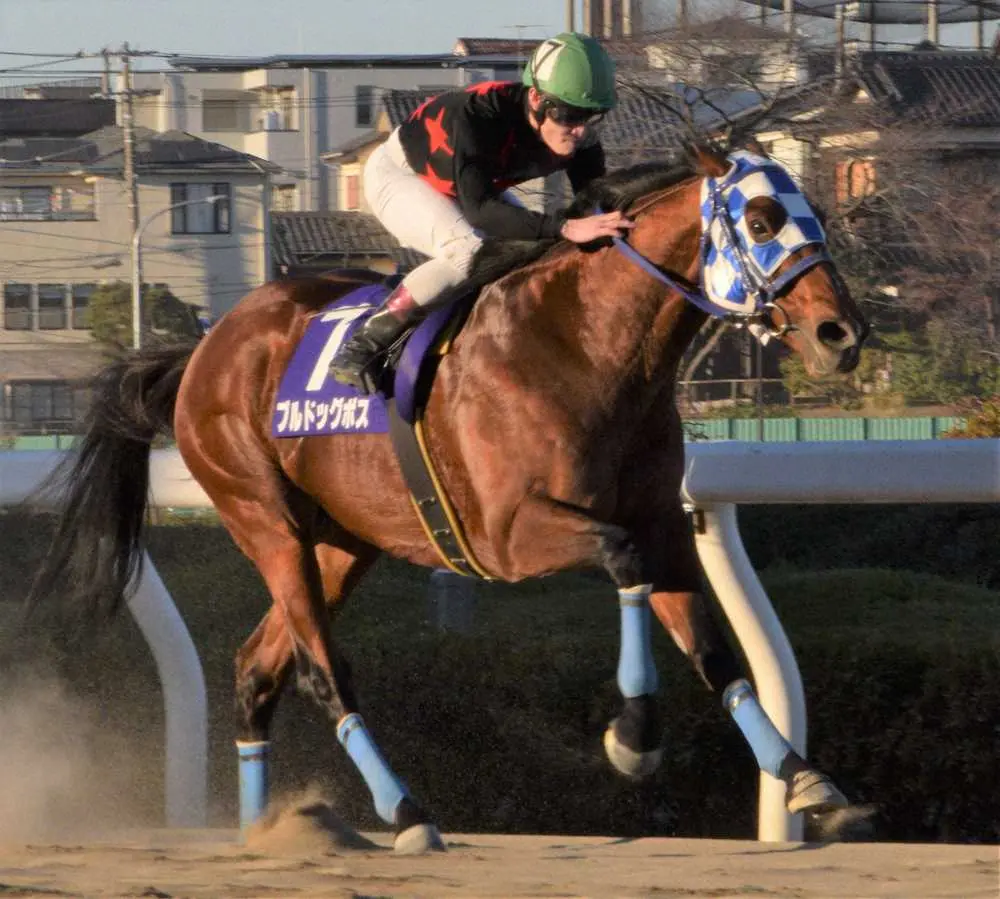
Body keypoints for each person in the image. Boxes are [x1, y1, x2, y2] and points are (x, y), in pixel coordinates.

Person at [329, 31, 635, 392]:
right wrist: (566, 228)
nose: (580, 131)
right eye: (569, 115)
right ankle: (363, 345)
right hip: (400, 176)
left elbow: (597, 203)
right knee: (467, 252)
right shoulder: (478, 116)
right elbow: (480, 212)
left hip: (465, 186)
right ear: (536, 98)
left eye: (592, 117)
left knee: (533, 250)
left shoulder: (580, 137)